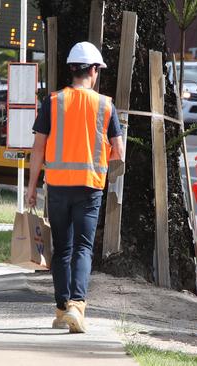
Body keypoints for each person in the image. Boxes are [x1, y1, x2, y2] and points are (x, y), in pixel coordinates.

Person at [26, 41, 125, 333]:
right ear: (93, 70)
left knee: (62, 249)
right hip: (90, 187)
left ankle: (60, 310)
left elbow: (38, 149)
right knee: (83, 247)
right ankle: (77, 306)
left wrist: (32, 187)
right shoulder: (105, 105)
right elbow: (119, 151)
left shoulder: (53, 102)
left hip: (56, 186)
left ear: (72, 69)